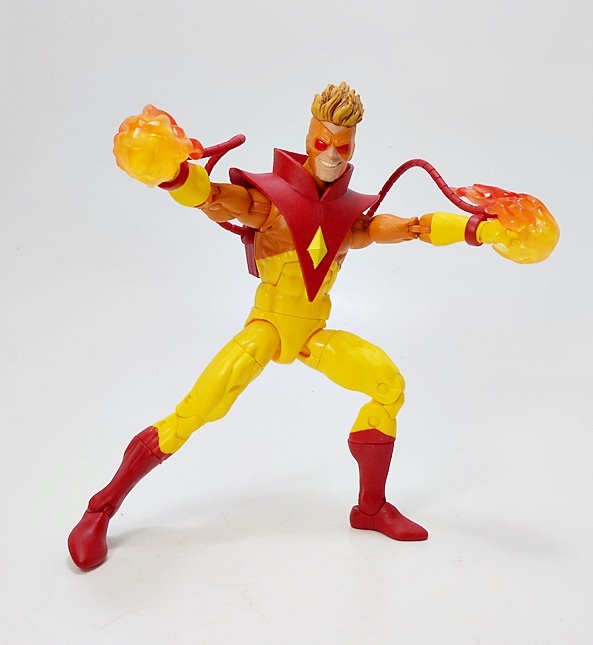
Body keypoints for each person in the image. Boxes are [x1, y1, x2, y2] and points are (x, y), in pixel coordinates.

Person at [68, 82, 501, 570]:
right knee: (194, 412)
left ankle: (371, 508)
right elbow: (212, 197)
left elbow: (411, 227)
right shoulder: (269, 201)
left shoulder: (349, 214)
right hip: (268, 329)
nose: (332, 154)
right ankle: (101, 508)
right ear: (308, 139)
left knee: (387, 386)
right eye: (322, 142)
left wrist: (477, 229)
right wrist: (173, 173)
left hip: (312, 336)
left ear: (354, 147)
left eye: (343, 146)